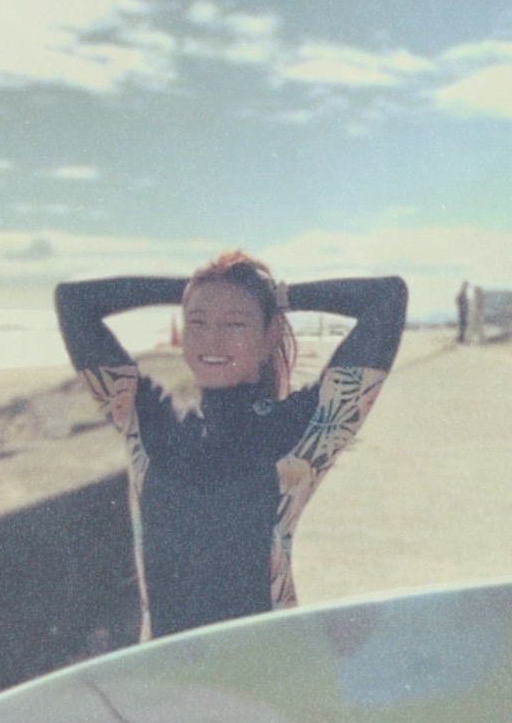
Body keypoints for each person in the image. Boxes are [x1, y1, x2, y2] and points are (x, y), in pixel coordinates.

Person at [56, 252, 407, 640]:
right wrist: (196, 290)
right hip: (164, 666)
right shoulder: (147, 421)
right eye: (198, 322)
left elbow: (387, 299)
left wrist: (276, 296)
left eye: (235, 323)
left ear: (270, 336)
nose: (213, 340)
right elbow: (73, 302)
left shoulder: (302, 430)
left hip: (266, 661)